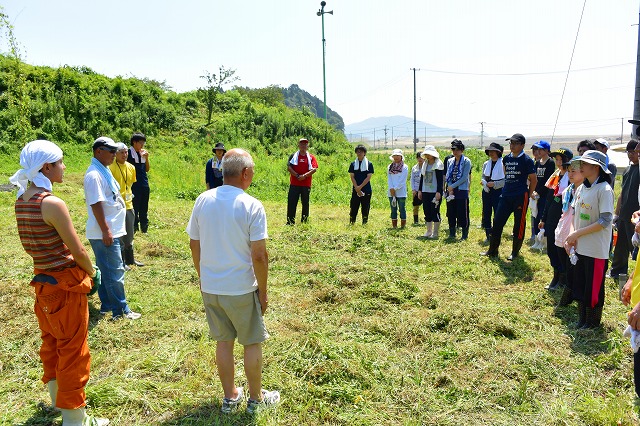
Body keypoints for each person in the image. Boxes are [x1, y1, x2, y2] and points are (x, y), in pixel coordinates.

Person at [10, 140, 109, 426]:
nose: (64, 167)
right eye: (61, 162)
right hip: (65, 284)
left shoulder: (22, 199)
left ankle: (57, 401)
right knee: (73, 350)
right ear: (46, 167)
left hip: (42, 282)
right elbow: (77, 250)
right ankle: (75, 418)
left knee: (52, 342)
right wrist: (92, 272)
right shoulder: (51, 203)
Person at [187, 148, 280, 414]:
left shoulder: (203, 200)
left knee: (223, 342)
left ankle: (230, 397)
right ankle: (255, 401)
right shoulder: (251, 205)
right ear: (245, 173)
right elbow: (259, 255)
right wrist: (263, 291)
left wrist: (203, 276)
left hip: (212, 287)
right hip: (240, 288)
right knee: (251, 342)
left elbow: (195, 243)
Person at [85, 136, 141, 320]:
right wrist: (106, 230)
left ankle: (108, 305)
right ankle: (121, 310)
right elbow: (96, 204)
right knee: (115, 270)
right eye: (110, 151)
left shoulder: (103, 171)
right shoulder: (94, 175)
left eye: (114, 151)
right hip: (105, 232)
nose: (114, 154)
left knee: (106, 268)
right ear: (98, 151)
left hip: (109, 230)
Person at [565, 150, 615, 328]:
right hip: (580, 247)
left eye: (585, 164)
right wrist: (571, 237)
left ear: (596, 167)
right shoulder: (581, 188)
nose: (581, 167)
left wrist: (577, 234)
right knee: (580, 283)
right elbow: (575, 214)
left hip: (596, 249)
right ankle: (582, 319)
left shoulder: (604, 189)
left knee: (593, 289)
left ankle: (592, 322)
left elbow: (605, 220)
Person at [482, 133, 537, 260]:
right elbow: (507, 175)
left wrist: (528, 195)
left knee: (519, 225)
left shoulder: (527, 160)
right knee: (497, 222)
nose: (512, 145)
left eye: (515, 143)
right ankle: (493, 250)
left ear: (522, 145)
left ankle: (514, 252)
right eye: (510, 143)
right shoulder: (506, 159)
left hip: (520, 196)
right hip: (506, 195)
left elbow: (533, 180)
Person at [538, 148, 573, 290]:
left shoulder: (571, 178)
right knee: (552, 247)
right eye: (556, 160)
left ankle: (564, 278)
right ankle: (556, 275)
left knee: (561, 248)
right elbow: (548, 199)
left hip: (564, 217)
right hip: (552, 216)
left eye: (561, 160)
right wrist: (543, 218)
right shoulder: (555, 176)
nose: (558, 163)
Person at [109, 143, 144, 270]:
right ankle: (121, 261)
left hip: (129, 204)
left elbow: (131, 185)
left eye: (126, 152)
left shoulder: (131, 167)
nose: (124, 155)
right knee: (120, 234)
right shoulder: (111, 168)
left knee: (130, 232)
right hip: (117, 205)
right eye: (121, 152)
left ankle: (131, 259)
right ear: (115, 154)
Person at [555, 156, 584, 307]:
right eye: (569, 171)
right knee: (564, 261)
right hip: (564, 228)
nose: (570, 174)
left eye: (574, 171)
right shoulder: (568, 189)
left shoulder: (584, 191)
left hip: (574, 231)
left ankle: (571, 294)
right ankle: (568, 289)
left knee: (573, 265)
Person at [610, 140, 640, 279]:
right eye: (628, 152)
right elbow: (622, 192)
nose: (631, 154)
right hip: (623, 214)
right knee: (620, 248)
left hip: (635, 217)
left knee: (634, 248)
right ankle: (617, 272)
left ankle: (635, 276)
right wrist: (616, 214)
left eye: (633, 151)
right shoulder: (628, 170)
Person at [286, 138, 318, 225]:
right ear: (298, 145)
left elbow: (314, 169)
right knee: (292, 202)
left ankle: (304, 221)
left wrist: (304, 176)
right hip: (294, 183)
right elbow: (289, 167)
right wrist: (297, 175)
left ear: (308, 146)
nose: (303, 146)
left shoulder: (311, 157)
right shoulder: (293, 156)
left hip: (306, 184)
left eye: (305, 144)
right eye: (301, 144)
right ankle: (290, 222)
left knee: (305, 203)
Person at [445, 139, 472, 240]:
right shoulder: (450, 161)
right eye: (453, 149)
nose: (454, 152)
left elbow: (465, 177)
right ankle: (452, 232)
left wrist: (453, 186)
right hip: (451, 189)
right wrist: (450, 187)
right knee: (451, 211)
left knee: (462, 212)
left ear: (461, 150)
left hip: (461, 189)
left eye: (456, 149)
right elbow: (448, 175)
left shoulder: (466, 161)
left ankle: (464, 234)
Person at [530, 140, 555, 243]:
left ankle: (543, 241)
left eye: (541, 149)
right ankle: (536, 239)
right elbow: (535, 179)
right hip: (536, 195)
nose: (538, 151)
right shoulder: (537, 163)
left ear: (547, 150)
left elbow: (548, 181)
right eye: (537, 149)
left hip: (545, 195)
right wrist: (533, 192)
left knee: (542, 217)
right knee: (535, 216)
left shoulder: (550, 163)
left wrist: (539, 192)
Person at [480, 142, 505, 244]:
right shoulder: (486, 164)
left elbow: (505, 180)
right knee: (486, 213)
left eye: (494, 151)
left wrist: (494, 184)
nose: (492, 153)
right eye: (490, 151)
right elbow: (483, 176)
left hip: (498, 191)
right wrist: (484, 182)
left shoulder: (503, 163)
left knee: (497, 214)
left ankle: (496, 235)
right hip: (487, 191)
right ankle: (488, 235)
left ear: (498, 152)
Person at [418, 145, 444, 239]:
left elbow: (441, 180)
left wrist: (439, 192)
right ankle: (429, 231)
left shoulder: (438, 164)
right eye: (426, 154)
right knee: (427, 210)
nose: (428, 156)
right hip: (425, 190)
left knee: (435, 210)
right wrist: (420, 190)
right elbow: (422, 177)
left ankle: (435, 232)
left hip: (434, 191)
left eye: (429, 154)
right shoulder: (425, 164)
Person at [127, 132, 150, 233]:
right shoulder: (128, 153)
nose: (142, 145)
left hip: (144, 184)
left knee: (144, 207)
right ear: (134, 142)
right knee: (134, 207)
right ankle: (134, 227)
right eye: (140, 143)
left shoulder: (143, 153)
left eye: (143, 143)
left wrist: (147, 158)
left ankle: (144, 227)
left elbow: (147, 169)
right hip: (133, 185)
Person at [348, 144, 374, 225]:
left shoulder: (369, 164)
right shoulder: (353, 164)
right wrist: (357, 188)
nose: (359, 153)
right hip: (356, 189)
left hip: (366, 189)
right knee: (354, 206)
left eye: (361, 152)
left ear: (364, 153)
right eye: (358, 152)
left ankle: (364, 222)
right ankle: (352, 222)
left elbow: (368, 177)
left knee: (365, 207)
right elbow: (352, 177)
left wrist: (360, 187)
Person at [387, 148, 409, 228]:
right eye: (394, 155)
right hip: (391, 191)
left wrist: (395, 188)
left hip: (401, 192)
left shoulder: (404, 167)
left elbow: (402, 181)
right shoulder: (390, 166)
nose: (396, 157)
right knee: (393, 209)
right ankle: (394, 226)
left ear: (401, 156)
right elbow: (389, 179)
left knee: (402, 208)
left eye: (397, 155)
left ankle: (403, 226)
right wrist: (391, 189)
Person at [410, 153, 425, 226]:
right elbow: (412, 179)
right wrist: (413, 189)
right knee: (415, 206)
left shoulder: (427, 167)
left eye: (421, 158)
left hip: (425, 189)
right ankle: (416, 220)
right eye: (418, 158)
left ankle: (427, 219)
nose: (420, 159)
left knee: (426, 205)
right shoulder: (414, 168)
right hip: (416, 189)